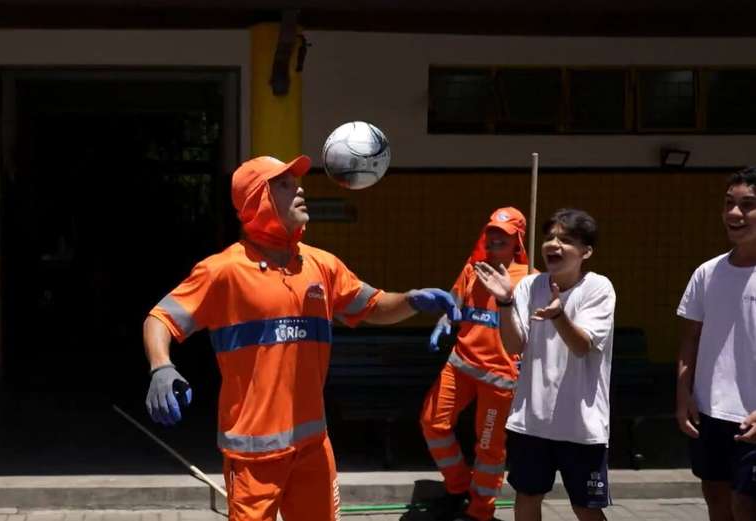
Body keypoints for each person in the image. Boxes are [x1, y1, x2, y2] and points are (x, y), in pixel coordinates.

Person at [142, 155, 461, 521]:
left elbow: (373, 306)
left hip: (313, 447)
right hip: (252, 456)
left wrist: (411, 300)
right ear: (256, 198)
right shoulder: (222, 271)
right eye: (283, 184)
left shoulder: (321, 265)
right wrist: (161, 366)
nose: (300, 188)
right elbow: (160, 318)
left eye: (296, 182)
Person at [474, 208, 615, 521]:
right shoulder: (529, 286)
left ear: (586, 251)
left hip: (581, 425)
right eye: (550, 237)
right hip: (531, 420)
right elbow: (513, 346)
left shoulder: (599, 288)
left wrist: (558, 315)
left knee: (585, 507)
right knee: (527, 497)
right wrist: (505, 302)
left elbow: (581, 346)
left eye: (565, 239)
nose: (554, 244)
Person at [420, 207, 531, 521]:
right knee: (432, 423)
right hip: (460, 365)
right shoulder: (473, 269)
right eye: (492, 232)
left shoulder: (530, 280)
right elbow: (454, 302)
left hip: (500, 378)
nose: (495, 239)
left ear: (518, 241)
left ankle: (480, 511)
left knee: (488, 449)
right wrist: (444, 319)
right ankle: (458, 487)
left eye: (504, 236)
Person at [676, 167, 756, 521]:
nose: (735, 214)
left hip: (751, 419)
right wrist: (683, 398)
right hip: (709, 413)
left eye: (748, 205)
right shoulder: (707, 273)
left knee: (745, 505)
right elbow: (690, 339)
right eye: (729, 204)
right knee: (716, 498)